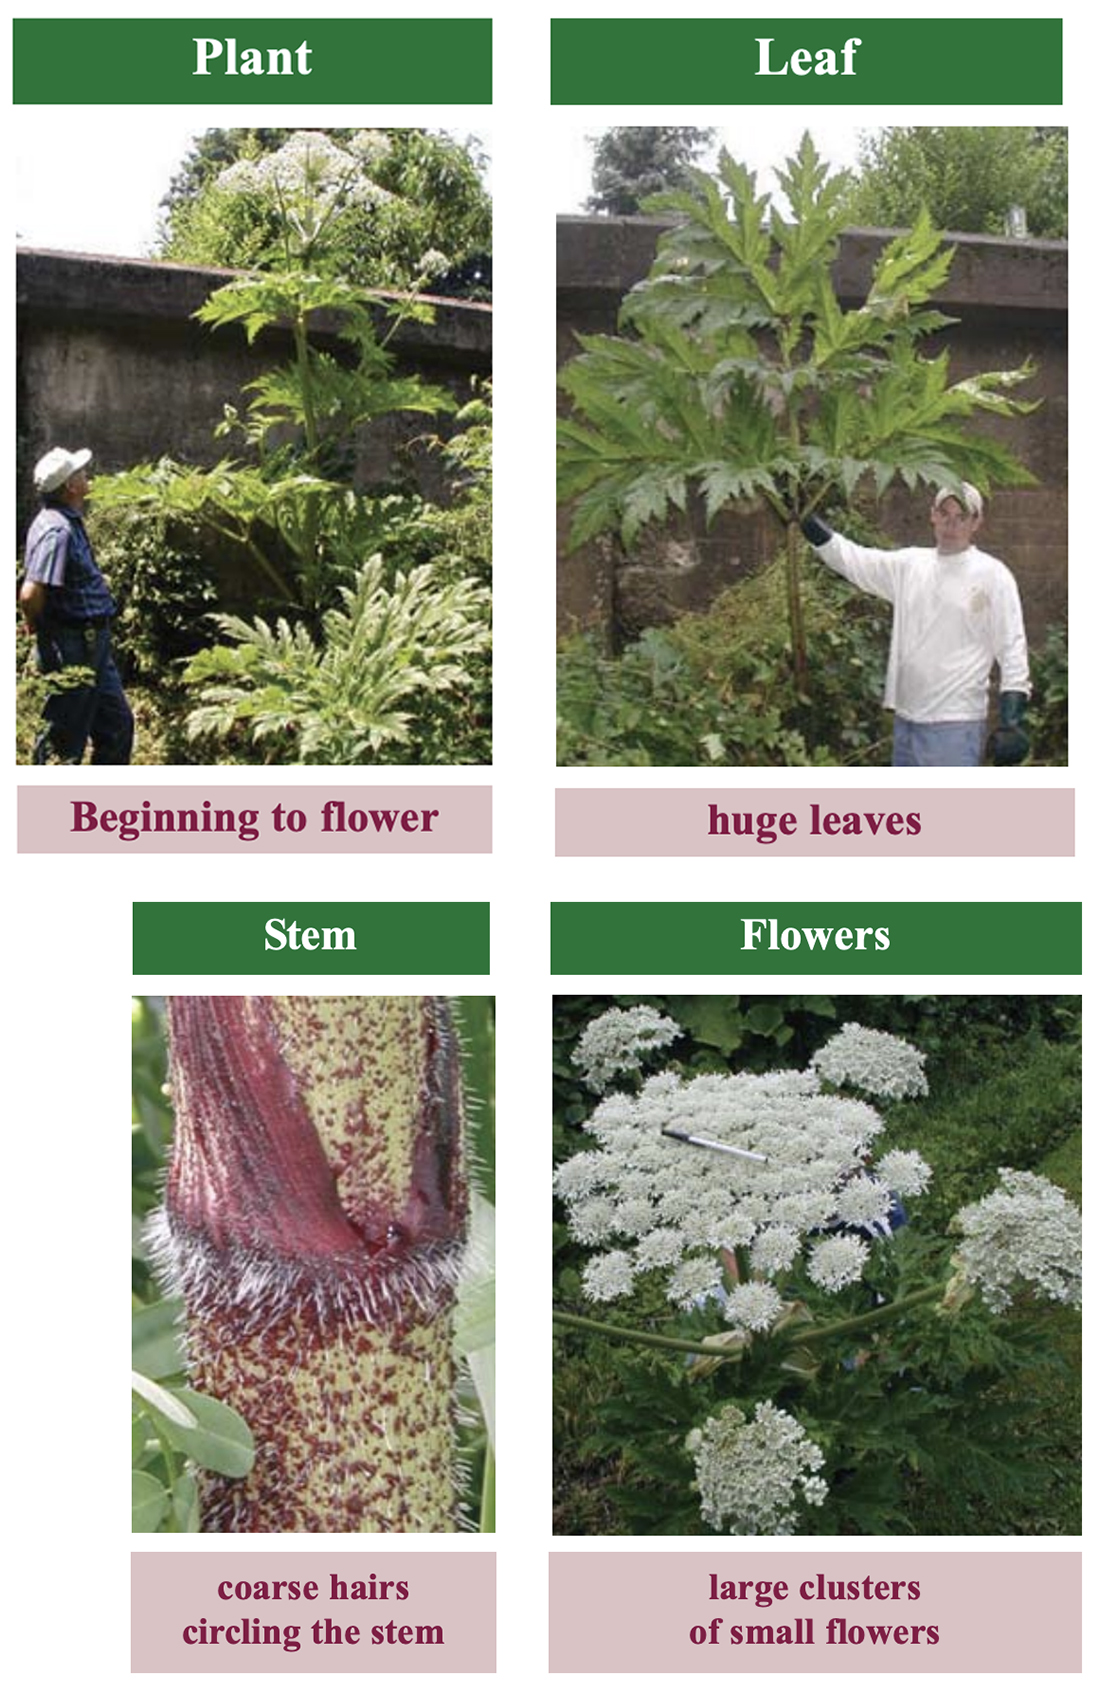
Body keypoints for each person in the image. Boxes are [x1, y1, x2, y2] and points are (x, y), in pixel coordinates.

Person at [801, 485, 1030, 768]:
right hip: (907, 719)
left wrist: (1011, 721)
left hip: (955, 724)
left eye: (961, 517)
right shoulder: (910, 565)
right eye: (944, 513)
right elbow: (854, 560)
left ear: (976, 522)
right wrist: (808, 521)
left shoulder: (993, 575)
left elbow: (1012, 648)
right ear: (932, 515)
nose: (951, 524)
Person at [20, 446, 134, 764]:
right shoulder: (57, 531)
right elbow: (30, 593)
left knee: (117, 725)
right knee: (64, 740)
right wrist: (36, 625)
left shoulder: (63, 521)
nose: (87, 475)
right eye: (81, 473)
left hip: (92, 644)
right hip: (74, 646)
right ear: (70, 486)